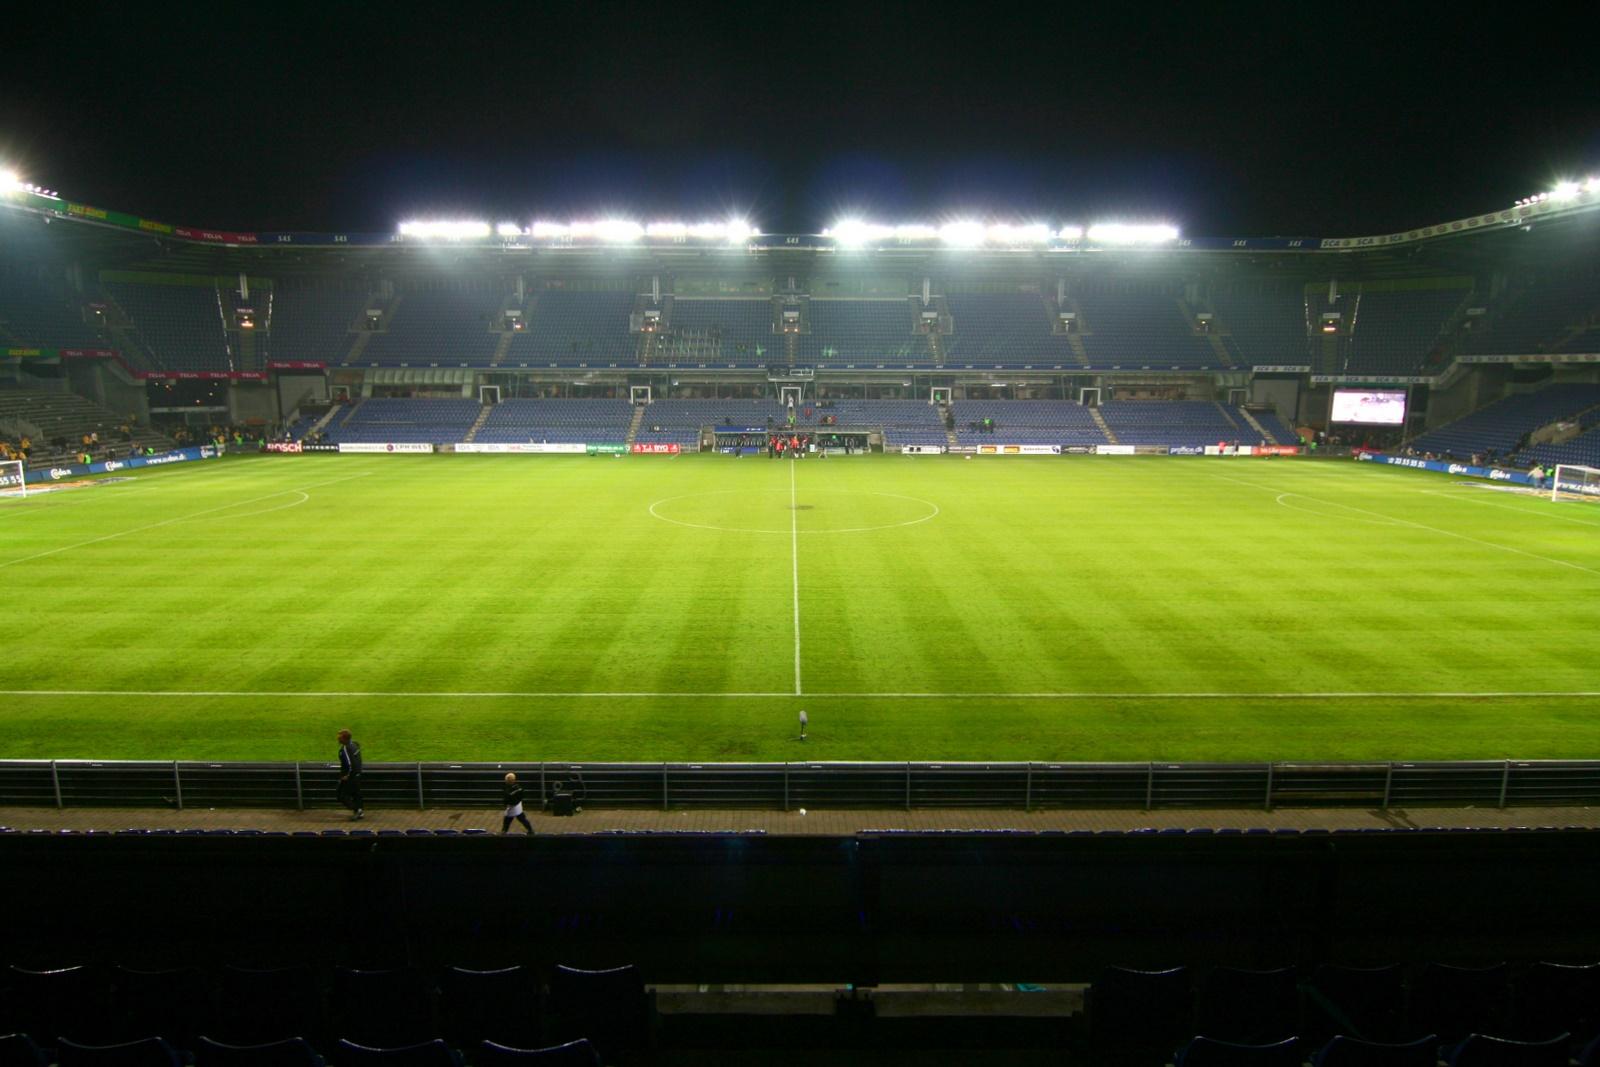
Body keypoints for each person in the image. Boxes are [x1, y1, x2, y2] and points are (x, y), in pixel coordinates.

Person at [336, 729, 364, 820]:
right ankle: (359, 811)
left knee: (341, 795)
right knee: (356, 794)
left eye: (339, 737)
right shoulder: (354, 745)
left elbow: (349, 763)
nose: (338, 739)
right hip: (357, 773)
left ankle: (357, 810)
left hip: (350, 776)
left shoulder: (345, 749)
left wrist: (347, 775)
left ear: (344, 738)